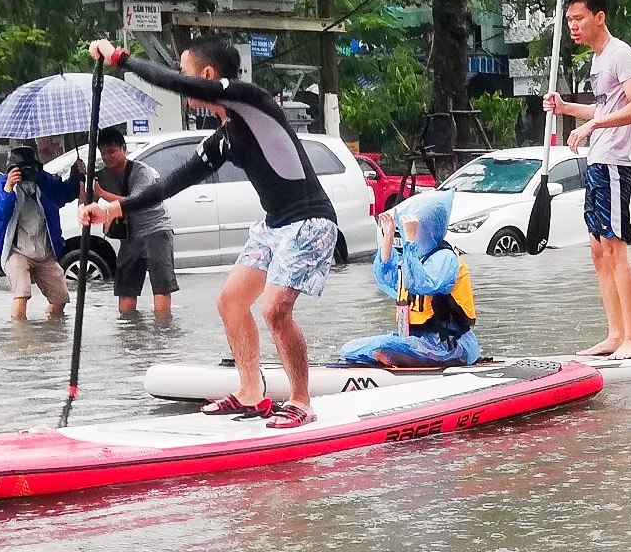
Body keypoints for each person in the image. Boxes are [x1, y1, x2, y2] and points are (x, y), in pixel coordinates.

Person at [80, 35, 338, 429]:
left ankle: (302, 401)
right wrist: (113, 207)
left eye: (185, 70)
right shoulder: (225, 137)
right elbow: (171, 183)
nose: (182, 80)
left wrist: (120, 58)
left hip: (311, 221)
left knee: (274, 309)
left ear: (207, 74)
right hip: (274, 226)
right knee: (231, 301)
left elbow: (178, 83)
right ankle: (252, 393)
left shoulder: (251, 100)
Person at [543, 0, 631, 359]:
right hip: (597, 161)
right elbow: (603, 108)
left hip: (614, 164)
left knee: (615, 248)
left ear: (598, 18)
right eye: (569, 20)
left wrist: (594, 126)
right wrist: (565, 108)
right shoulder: (597, 60)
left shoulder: (621, 54)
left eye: (578, 18)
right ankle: (614, 334)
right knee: (596, 250)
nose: (572, 26)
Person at [338, 190, 480, 368]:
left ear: (428, 228)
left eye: (414, 229)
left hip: (447, 345)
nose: (407, 233)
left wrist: (410, 243)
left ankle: (403, 359)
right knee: (349, 349)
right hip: (414, 339)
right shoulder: (412, 259)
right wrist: (388, 236)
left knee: (385, 348)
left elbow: (420, 284)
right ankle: (399, 357)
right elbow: (385, 279)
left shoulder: (446, 259)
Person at [0, 145, 84, 320]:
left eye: (31, 168)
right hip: (16, 251)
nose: (26, 173)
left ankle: (51, 331)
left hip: (44, 251)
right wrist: (8, 189)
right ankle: (20, 336)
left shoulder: (43, 182)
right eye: (22, 169)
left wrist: (76, 174)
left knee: (60, 298)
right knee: (22, 293)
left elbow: (65, 193)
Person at [93, 126, 178, 315]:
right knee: (125, 288)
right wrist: (81, 179)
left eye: (112, 152)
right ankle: (128, 333)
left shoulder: (142, 171)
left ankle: (163, 329)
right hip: (130, 235)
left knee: (161, 286)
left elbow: (135, 202)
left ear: (124, 149)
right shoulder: (101, 175)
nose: (107, 157)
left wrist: (101, 193)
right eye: (103, 153)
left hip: (156, 230)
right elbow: (86, 205)